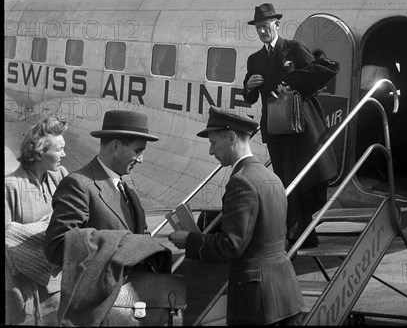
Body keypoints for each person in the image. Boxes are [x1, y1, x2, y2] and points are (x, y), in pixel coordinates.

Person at [169, 106, 304, 326]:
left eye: (213, 143)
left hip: (258, 303)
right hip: (286, 294)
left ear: (231, 138)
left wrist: (189, 241)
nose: (211, 151)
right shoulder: (272, 177)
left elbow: (231, 245)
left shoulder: (241, 180)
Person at [43, 109, 172, 326]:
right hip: (98, 312)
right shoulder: (79, 185)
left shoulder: (125, 188)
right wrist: (121, 242)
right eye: (138, 150)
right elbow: (56, 246)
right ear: (115, 146)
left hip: (131, 308)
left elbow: (140, 239)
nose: (141, 159)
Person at [242, 3, 338, 248]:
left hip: (298, 126)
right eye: (259, 27)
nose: (263, 31)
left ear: (276, 25)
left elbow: (318, 74)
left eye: (266, 25)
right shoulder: (255, 59)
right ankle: (300, 234)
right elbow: (250, 98)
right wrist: (249, 86)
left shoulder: (293, 49)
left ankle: (297, 234)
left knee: (302, 178)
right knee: (284, 179)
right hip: (275, 128)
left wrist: (291, 82)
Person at [5, 115, 68, 326]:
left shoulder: (60, 177)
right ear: (39, 152)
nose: (64, 154)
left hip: (57, 286)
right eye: (59, 150)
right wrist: (11, 287)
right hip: (23, 292)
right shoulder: (10, 187)